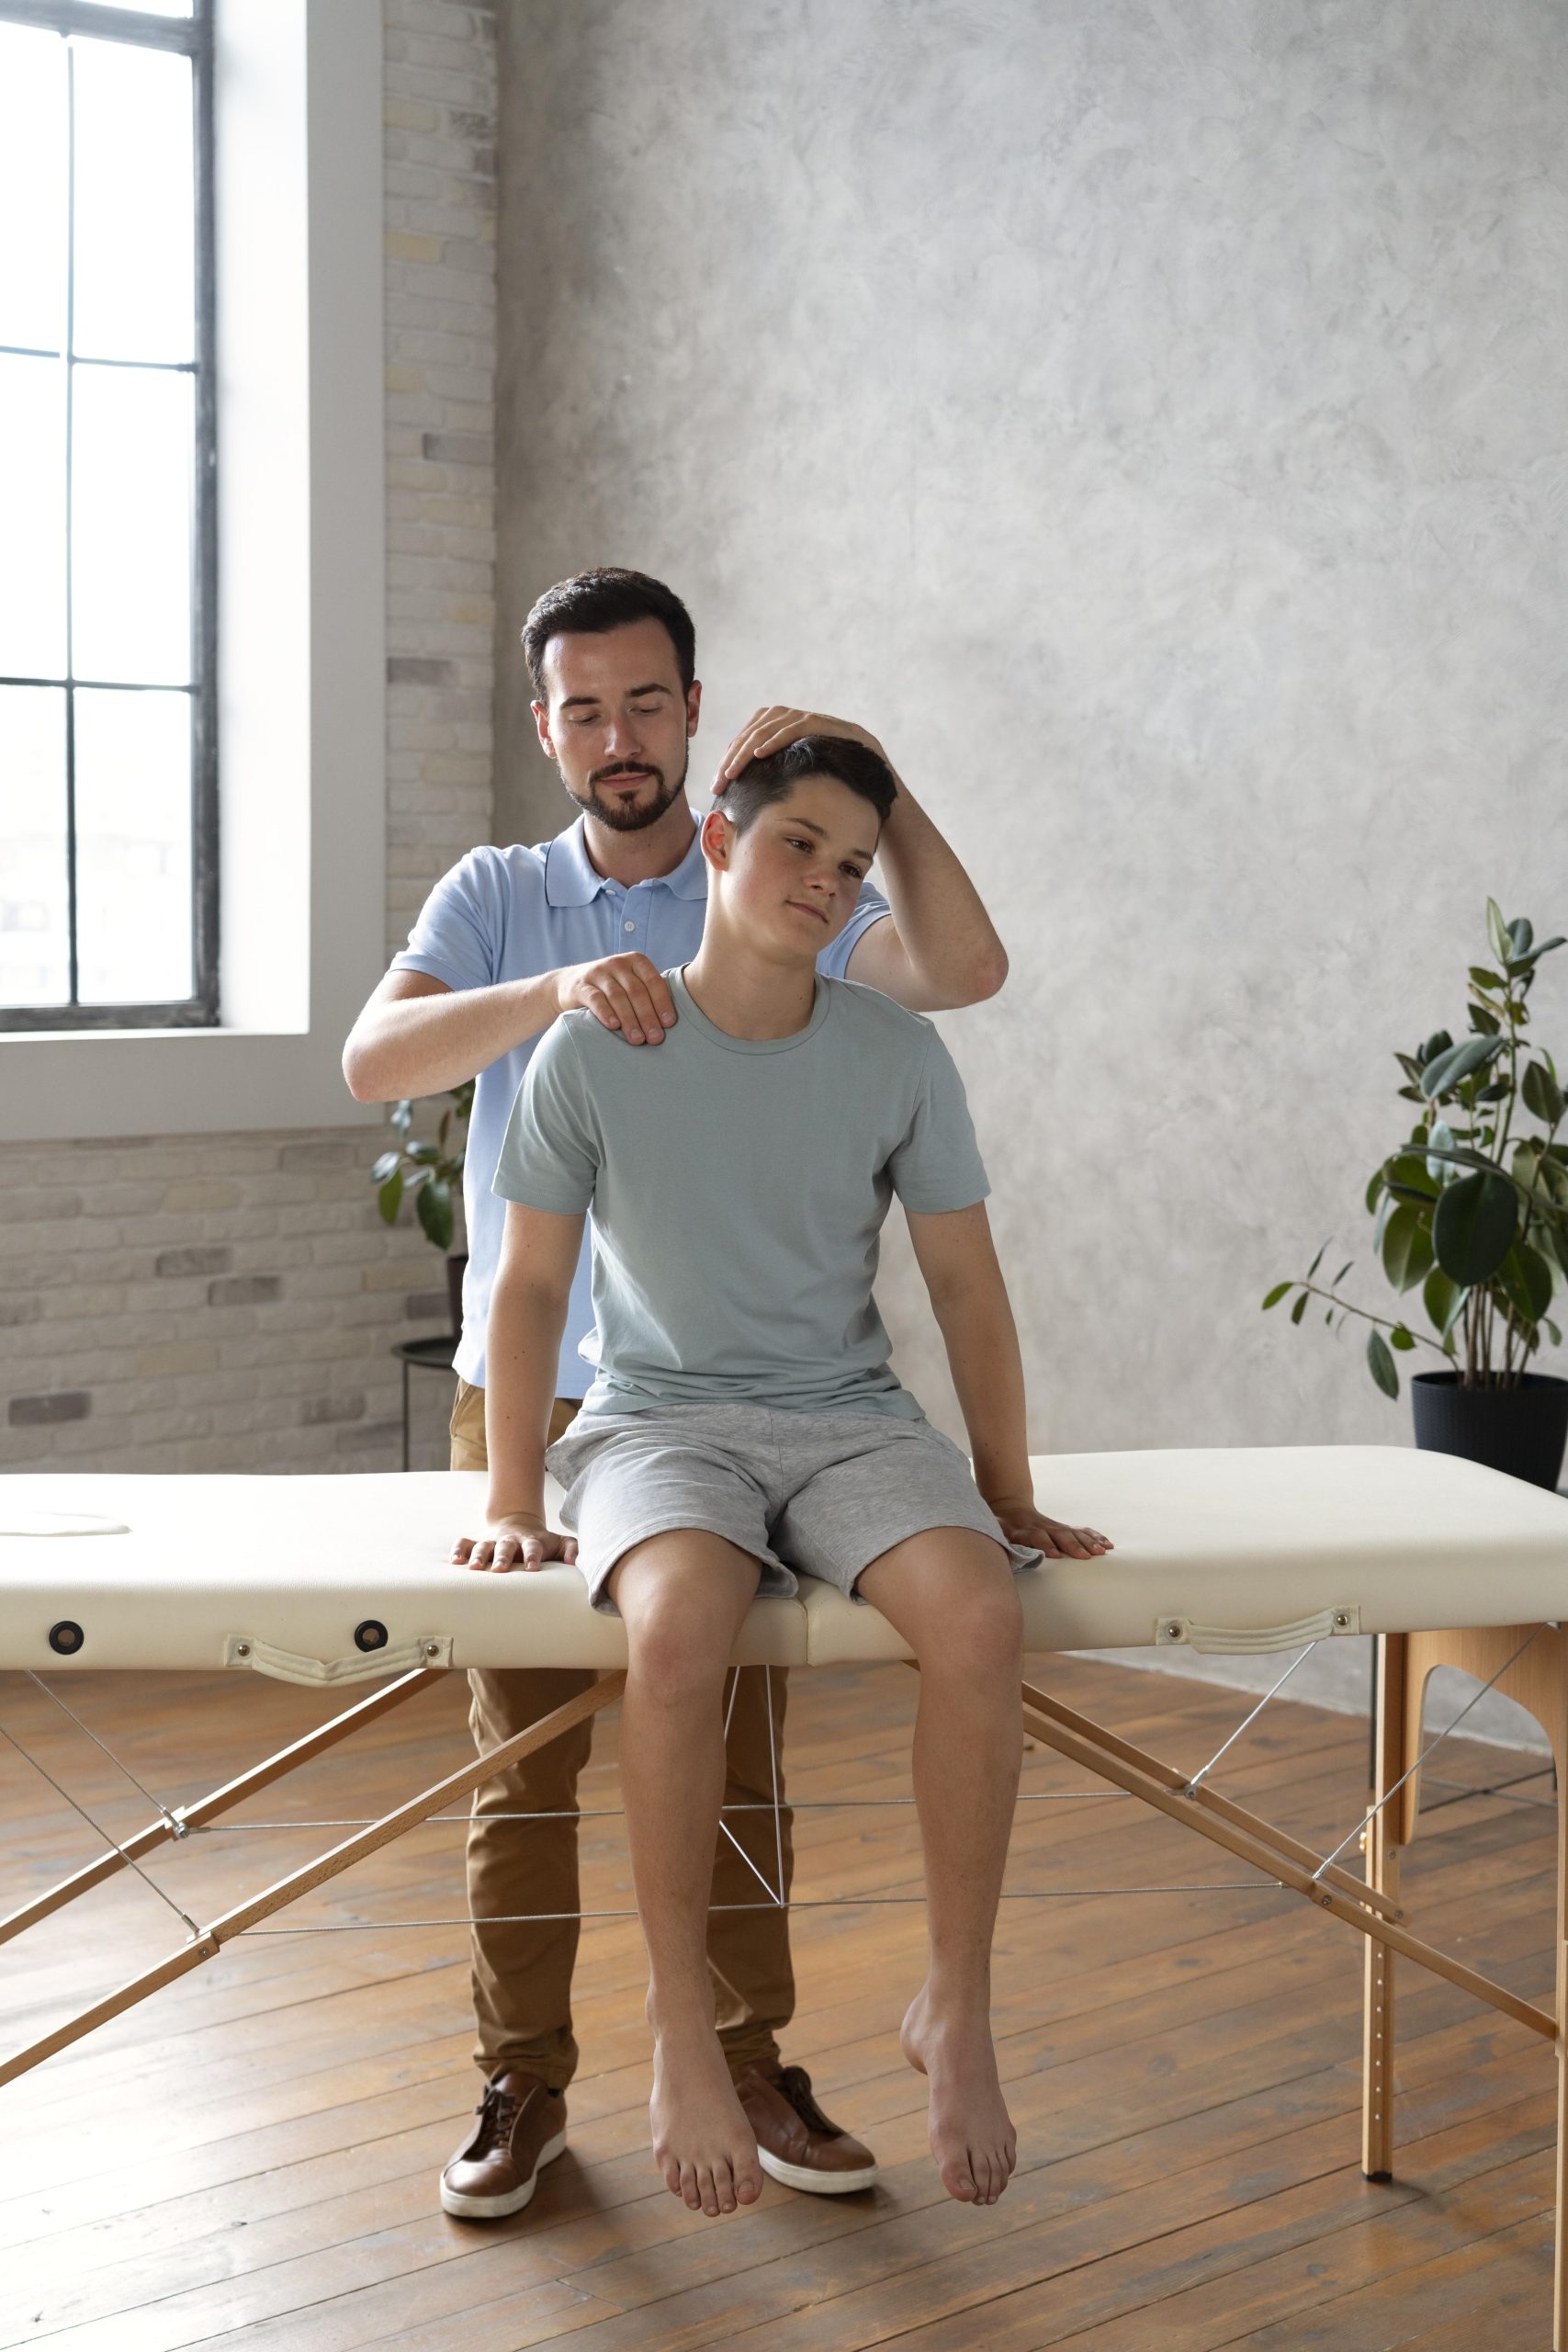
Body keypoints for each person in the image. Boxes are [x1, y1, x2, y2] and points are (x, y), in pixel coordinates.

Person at [343, 568, 1011, 2219]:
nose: (616, 734)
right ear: (547, 724)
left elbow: (963, 968)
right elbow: (377, 1062)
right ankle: (524, 2075)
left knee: (742, 1728)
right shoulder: (503, 892)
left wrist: (870, 779)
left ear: (695, 721)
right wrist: (560, 993)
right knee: (522, 1762)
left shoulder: (786, 870)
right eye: (584, 707)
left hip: (778, 1397)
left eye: (647, 701)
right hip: (557, 1399)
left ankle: (749, 2046)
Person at [457, 733, 1114, 2219]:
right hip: (657, 1425)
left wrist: (1003, 1494)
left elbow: (966, 1289)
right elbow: (525, 1291)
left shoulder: (893, 1052)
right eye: (799, 843)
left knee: (978, 1616)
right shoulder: (594, 1048)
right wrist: (511, 1499)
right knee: (680, 1628)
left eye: (851, 864)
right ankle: (681, 2029)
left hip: (848, 1423)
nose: (824, 881)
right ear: (717, 840)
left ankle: (955, 2004)